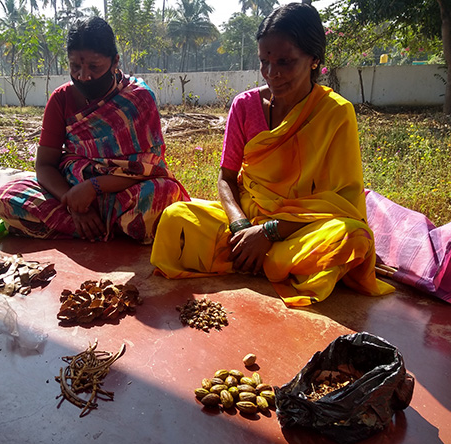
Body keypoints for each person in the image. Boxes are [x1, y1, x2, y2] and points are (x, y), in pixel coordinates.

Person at [150, 3, 394, 307]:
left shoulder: (336, 113)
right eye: (264, 61)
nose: (271, 73)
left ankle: (252, 259)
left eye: (285, 62)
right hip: (247, 220)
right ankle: (277, 264)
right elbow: (226, 177)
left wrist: (269, 231)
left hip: (301, 226)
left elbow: (343, 200)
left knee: (351, 236)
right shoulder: (244, 105)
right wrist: (241, 225)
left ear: (314, 59)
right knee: (175, 218)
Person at [0, 17, 189, 243]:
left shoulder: (139, 98)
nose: (83, 76)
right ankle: (105, 229)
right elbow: (45, 165)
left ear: (115, 61)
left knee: (162, 195)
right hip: (71, 194)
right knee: (5, 197)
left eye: (94, 67)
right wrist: (73, 202)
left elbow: (149, 167)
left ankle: (82, 229)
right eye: (75, 66)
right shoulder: (61, 99)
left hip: (125, 192)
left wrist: (94, 186)